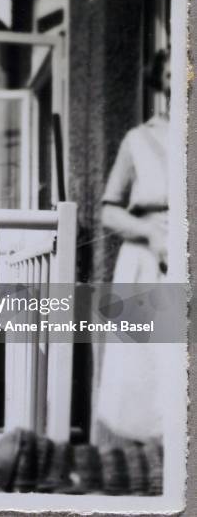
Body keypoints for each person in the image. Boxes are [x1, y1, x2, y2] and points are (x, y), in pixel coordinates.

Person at [96, 49, 170, 444]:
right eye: (176, 73)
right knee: (146, 367)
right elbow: (109, 212)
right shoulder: (139, 140)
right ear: (163, 81)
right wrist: (153, 234)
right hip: (149, 260)